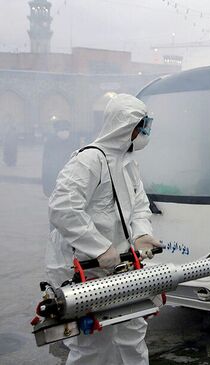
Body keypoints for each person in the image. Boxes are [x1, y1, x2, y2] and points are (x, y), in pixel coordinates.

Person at [46, 94, 160, 365]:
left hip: (123, 268)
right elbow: (63, 208)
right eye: (141, 126)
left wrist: (142, 233)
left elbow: (140, 205)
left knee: (132, 334)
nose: (144, 132)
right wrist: (100, 247)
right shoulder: (89, 161)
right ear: (125, 126)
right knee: (93, 345)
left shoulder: (129, 163)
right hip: (85, 270)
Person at [41, 120, 80, 197]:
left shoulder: (74, 142)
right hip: (54, 174)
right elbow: (46, 162)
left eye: (66, 130)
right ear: (57, 132)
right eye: (61, 131)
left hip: (70, 174)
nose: (64, 133)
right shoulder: (50, 142)